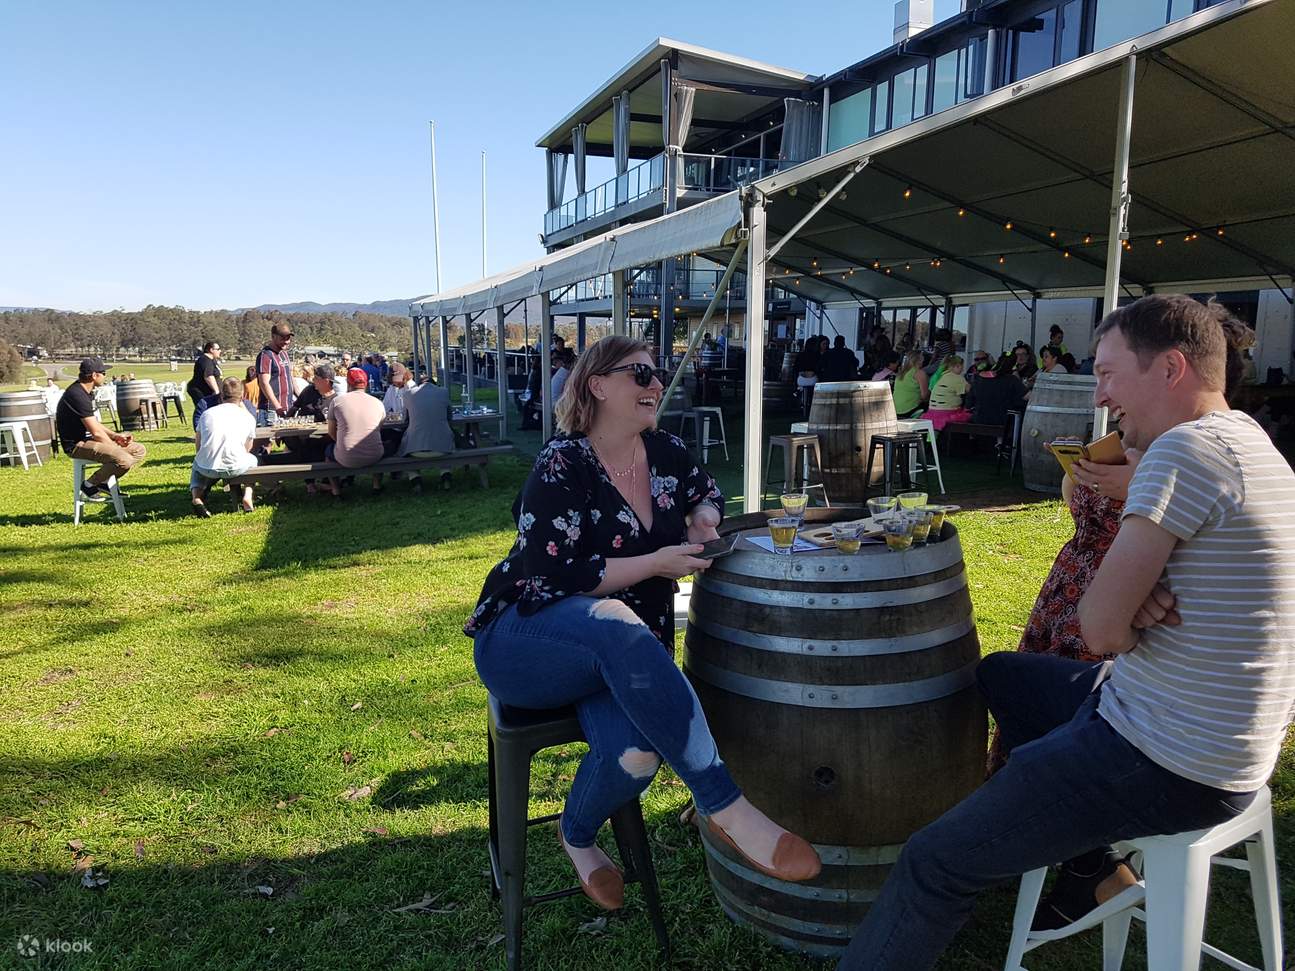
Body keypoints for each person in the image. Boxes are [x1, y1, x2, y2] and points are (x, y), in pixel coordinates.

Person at [838, 294, 1295, 971]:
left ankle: (1063, 828)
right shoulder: (1253, 442)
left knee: (934, 859)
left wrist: (1125, 610)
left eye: (1109, 373)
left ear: (1171, 368)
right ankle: (1089, 864)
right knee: (1005, 674)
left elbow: (1100, 628)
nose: (1102, 395)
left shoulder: (1182, 451)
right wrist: (1133, 601)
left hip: (1166, 756)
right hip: (1226, 742)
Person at [465, 335, 821, 911]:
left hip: (621, 649)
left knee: (635, 756)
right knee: (612, 618)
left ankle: (576, 835)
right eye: (639, 374)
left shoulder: (667, 451)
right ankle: (725, 806)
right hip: (527, 640)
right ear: (597, 385)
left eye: (657, 373)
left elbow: (708, 491)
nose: (655, 384)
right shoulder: (563, 462)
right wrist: (655, 563)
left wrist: (703, 516)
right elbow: (551, 574)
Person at [56, 358, 147, 502]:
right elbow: (96, 433)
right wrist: (116, 448)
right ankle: (89, 485)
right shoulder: (77, 395)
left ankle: (103, 483)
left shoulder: (86, 392)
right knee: (124, 459)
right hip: (76, 445)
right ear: (94, 375)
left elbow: (94, 423)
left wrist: (115, 436)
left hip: (88, 440)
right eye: (103, 373)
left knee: (138, 450)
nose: (105, 376)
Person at [190, 377, 258, 517]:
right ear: (242, 395)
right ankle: (248, 495)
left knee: (196, 466)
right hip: (236, 466)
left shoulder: (207, 414)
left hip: (207, 467)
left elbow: (199, 443)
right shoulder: (247, 417)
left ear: (221, 395)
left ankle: (196, 497)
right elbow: (248, 447)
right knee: (253, 460)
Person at [327, 367, 386, 494]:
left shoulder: (337, 402)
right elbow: (378, 428)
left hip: (346, 457)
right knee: (381, 443)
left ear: (348, 384)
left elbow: (331, 431)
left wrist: (341, 442)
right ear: (366, 384)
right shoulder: (378, 403)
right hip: (375, 455)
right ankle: (376, 486)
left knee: (327, 451)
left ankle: (336, 490)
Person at [966, 355, 1027, 429]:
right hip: (1001, 421)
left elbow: (968, 404)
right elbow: (1027, 396)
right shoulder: (1011, 380)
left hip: (979, 420)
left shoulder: (977, 379)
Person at [922, 355, 972, 431]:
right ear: (957, 366)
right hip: (948, 412)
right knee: (970, 416)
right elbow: (971, 391)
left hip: (933, 412)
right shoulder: (957, 377)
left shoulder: (941, 376)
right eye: (962, 367)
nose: (962, 370)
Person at [256, 323, 295, 420]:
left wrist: (301, 399)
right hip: (272, 411)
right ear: (273, 337)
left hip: (288, 408)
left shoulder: (284, 354)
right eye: (283, 338)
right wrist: (277, 406)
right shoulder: (266, 355)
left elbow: (290, 378)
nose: (286, 342)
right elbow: (264, 383)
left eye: (288, 338)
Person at [891, 349, 929, 418]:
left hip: (894, 409)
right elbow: (924, 396)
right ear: (919, 360)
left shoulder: (901, 372)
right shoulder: (920, 373)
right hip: (909, 410)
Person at [793, 337, 823, 417]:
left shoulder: (800, 355)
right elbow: (819, 369)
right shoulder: (817, 355)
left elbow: (795, 368)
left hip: (801, 379)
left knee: (802, 386)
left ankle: (800, 396)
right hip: (813, 379)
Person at [187, 341, 223, 407]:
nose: (220, 351)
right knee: (204, 410)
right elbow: (208, 376)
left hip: (209, 392)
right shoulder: (205, 360)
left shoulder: (212, 360)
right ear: (211, 350)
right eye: (218, 349)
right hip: (201, 392)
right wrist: (216, 391)